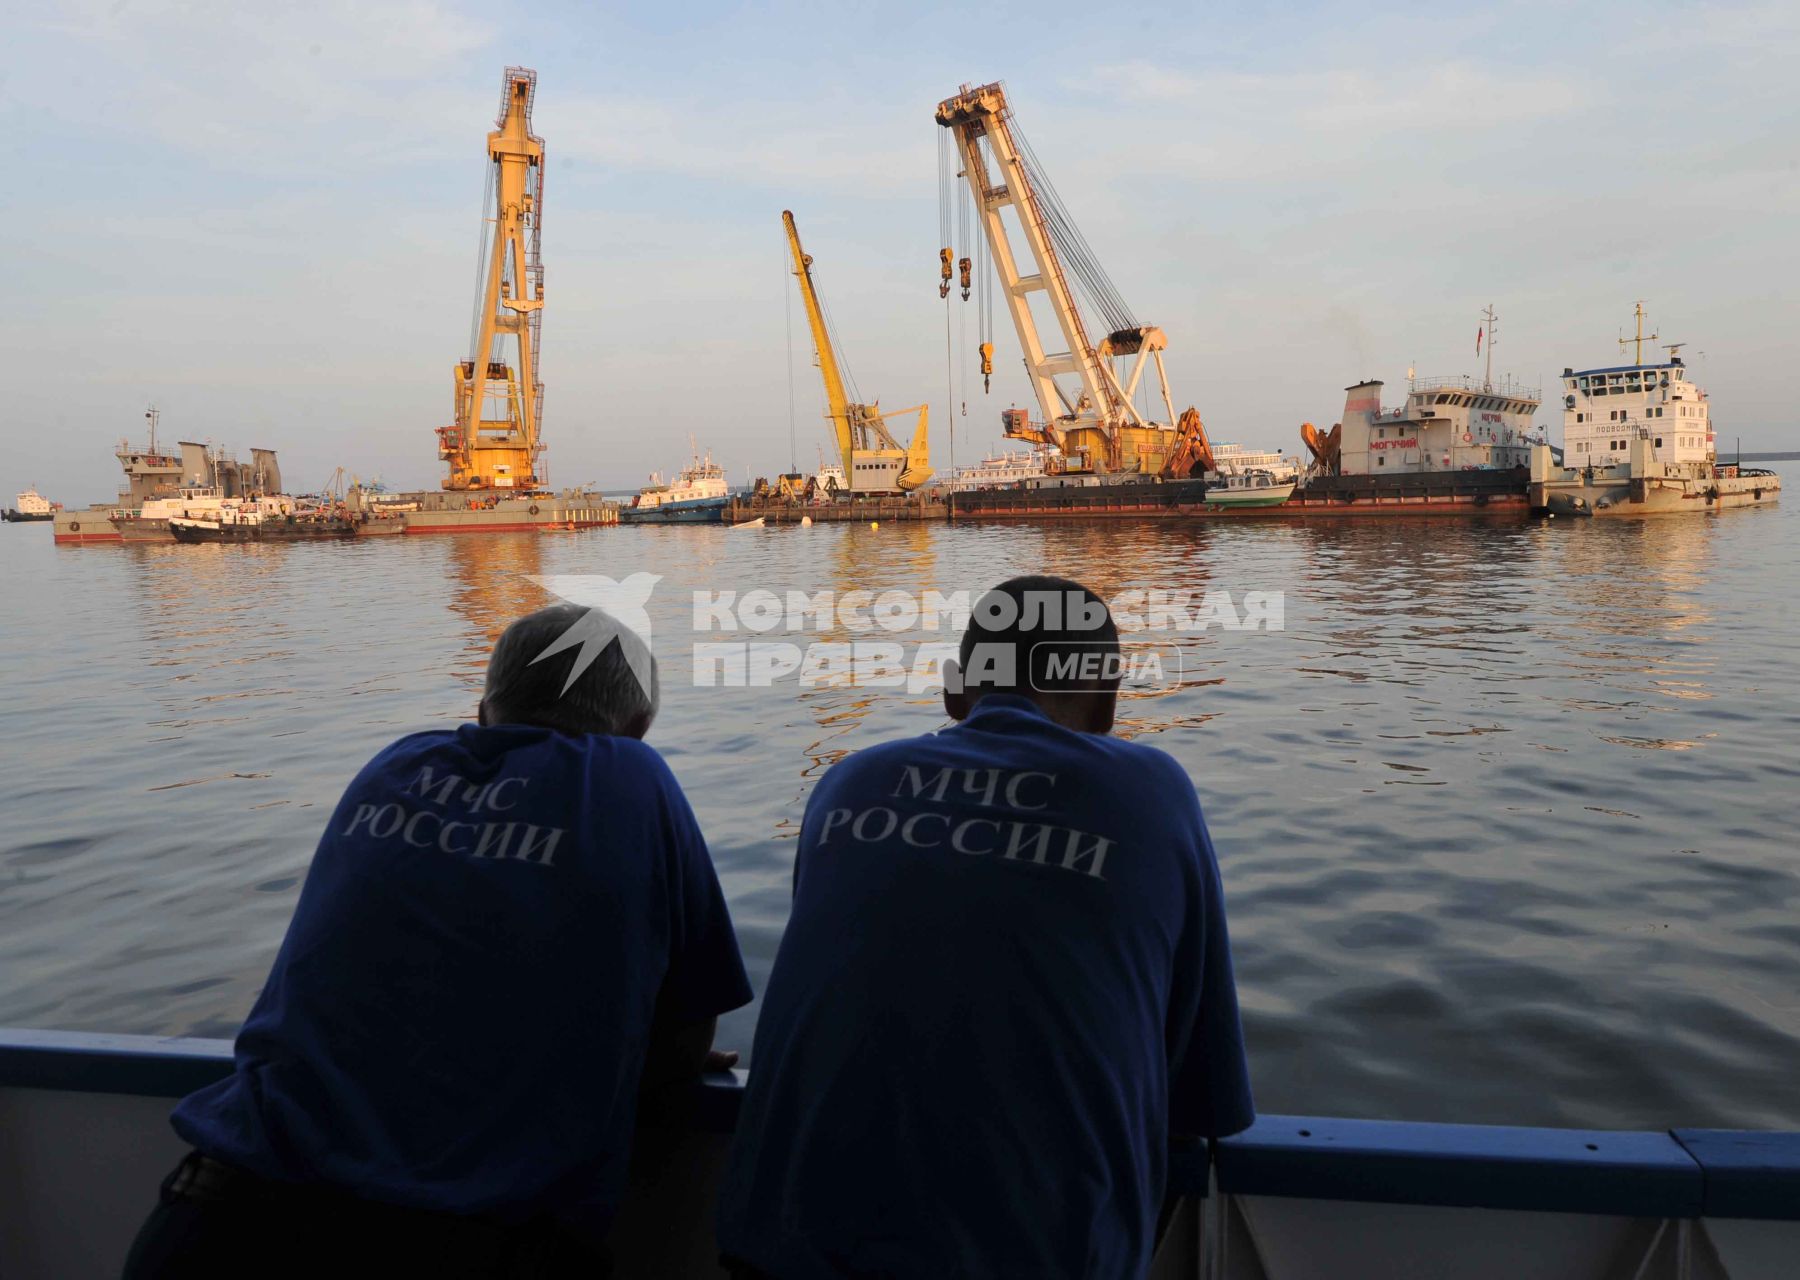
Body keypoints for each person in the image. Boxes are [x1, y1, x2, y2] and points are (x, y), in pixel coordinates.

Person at [125, 603, 752, 1279]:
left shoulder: (394, 765)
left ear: (483, 711)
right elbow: (685, 1036)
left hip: (218, 1215)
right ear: (639, 727)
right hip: (467, 1239)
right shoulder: (633, 776)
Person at [716, 575, 1253, 1279]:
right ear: (1109, 701)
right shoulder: (1151, 794)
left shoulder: (848, 783)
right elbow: (1199, 1100)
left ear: (952, 691)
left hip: (776, 1249)